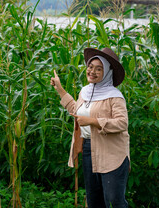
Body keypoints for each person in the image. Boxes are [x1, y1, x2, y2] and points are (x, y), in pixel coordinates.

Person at [50, 47, 130, 208]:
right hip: (88, 148)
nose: (92, 71)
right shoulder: (85, 92)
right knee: (94, 200)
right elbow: (76, 110)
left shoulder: (114, 96)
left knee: (114, 200)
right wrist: (59, 89)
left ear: (107, 72)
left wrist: (93, 121)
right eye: (90, 67)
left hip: (112, 151)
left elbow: (122, 123)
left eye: (98, 69)